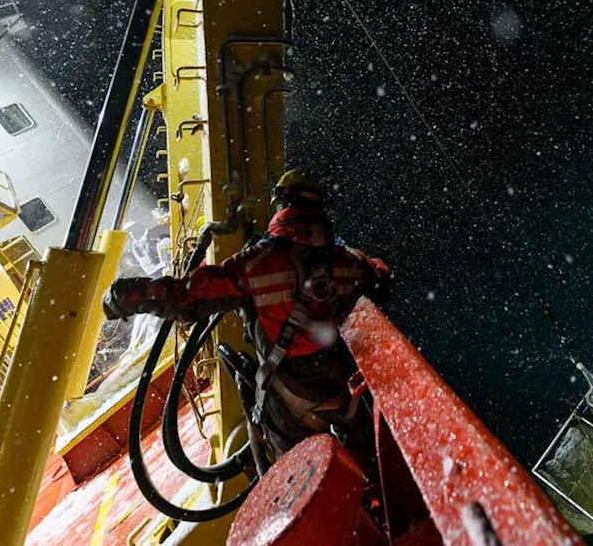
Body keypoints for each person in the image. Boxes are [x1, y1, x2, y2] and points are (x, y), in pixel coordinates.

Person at [102, 169, 391, 454]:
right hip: (340, 391)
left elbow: (186, 296)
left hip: (289, 397)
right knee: (356, 464)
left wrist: (128, 295)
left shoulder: (258, 263)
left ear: (281, 206)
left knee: (297, 472)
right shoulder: (345, 263)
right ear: (318, 208)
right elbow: (378, 278)